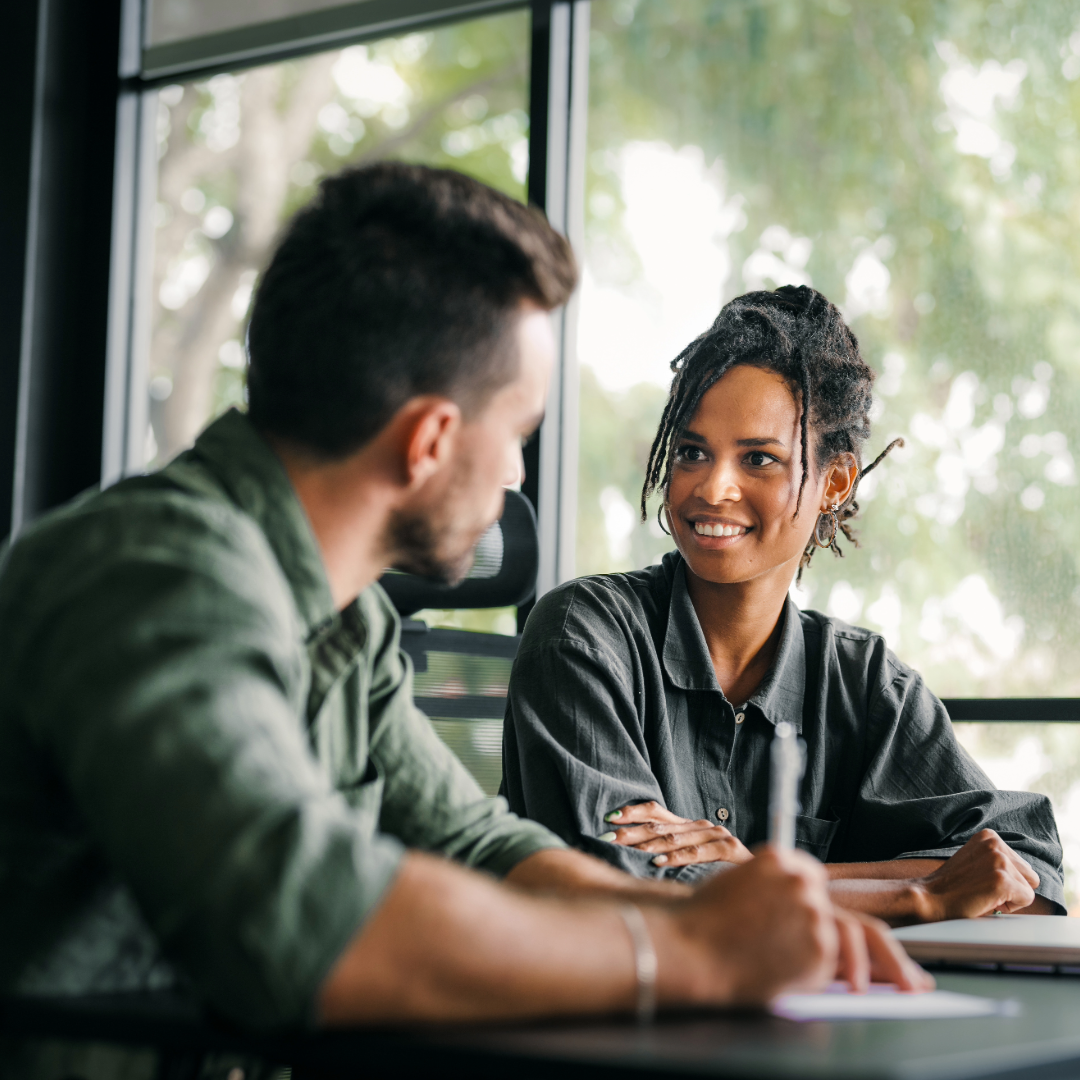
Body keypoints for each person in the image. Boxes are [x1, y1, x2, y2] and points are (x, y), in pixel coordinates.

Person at [0, 167, 927, 1070]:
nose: (520, 477)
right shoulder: (155, 577)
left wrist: (702, 918)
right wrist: (686, 960)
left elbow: (473, 842)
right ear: (430, 442)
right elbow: (303, 925)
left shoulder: (342, 620)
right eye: (517, 433)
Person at [502, 285, 1065, 922]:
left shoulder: (862, 682)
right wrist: (919, 892)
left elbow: (1025, 865)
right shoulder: (581, 635)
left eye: (759, 459)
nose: (713, 487)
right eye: (692, 452)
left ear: (834, 482)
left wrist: (758, 875)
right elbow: (622, 885)